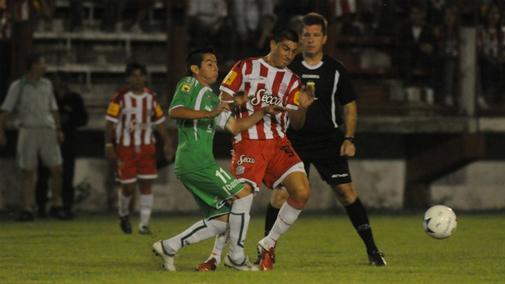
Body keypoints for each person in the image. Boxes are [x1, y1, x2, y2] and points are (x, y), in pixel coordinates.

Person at [266, 13, 386, 266]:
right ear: (299, 39)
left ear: (325, 38)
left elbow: (349, 105)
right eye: (306, 35)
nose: (310, 40)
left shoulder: (336, 69)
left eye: (315, 35)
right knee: (280, 195)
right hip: (294, 141)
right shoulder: (290, 69)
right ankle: (267, 251)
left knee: (346, 193)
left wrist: (349, 138)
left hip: (328, 141)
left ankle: (373, 250)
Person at [151, 47, 284, 272]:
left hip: (198, 163)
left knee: (221, 220)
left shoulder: (213, 98)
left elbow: (235, 126)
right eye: (209, 63)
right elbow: (175, 110)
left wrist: (262, 111)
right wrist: (209, 114)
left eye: (216, 62)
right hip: (195, 161)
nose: (215, 67)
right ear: (195, 69)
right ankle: (237, 257)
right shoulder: (189, 84)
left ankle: (169, 246)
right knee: (244, 194)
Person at [196, 28, 316, 272]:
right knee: (241, 199)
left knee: (301, 192)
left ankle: (268, 244)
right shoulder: (245, 67)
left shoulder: (293, 80)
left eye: (294, 51)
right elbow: (224, 99)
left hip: (279, 143)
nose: (289, 55)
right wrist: (236, 115)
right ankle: (216, 257)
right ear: (272, 43)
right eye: (285, 48)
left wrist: (302, 107)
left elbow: (297, 123)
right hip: (249, 140)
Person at [104, 61, 173, 234]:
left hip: (146, 147)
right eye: (134, 76)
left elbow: (159, 122)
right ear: (128, 78)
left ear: (145, 77)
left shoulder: (151, 97)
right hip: (125, 147)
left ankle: (144, 225)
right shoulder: (119, 98)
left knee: (146, 184)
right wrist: (109, 144)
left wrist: (167, 142)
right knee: (127, 186)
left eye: (140, 75)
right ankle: (124, 213)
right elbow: (110, 123)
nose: (137, 79)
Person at [0, 52, 64, 221]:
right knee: (28, 171)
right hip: (28, 129)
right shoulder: (18, 85)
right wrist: (1, 131)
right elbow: (6, 110)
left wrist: (58, 129)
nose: (45, 67)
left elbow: (54, 108)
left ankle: (56, 204)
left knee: (57, 169)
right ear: (33, 65)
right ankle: (27, 208)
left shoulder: (47, 84)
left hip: (48, 129)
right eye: (42, 63)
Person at [35, 74, 88, 219]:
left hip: (68, 141)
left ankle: (65, 206)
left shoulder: (74, 99)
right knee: (44, 173)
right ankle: (41, 206)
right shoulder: (47, 98)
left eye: (60, 82)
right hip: (47, 140)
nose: (57, 85)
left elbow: (83, 119)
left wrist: (68, 119)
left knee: (67, 174)